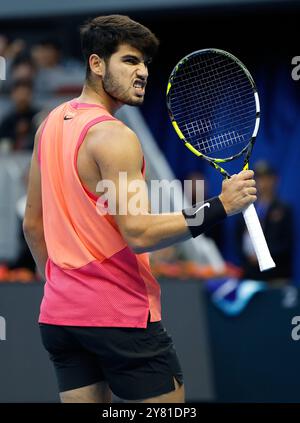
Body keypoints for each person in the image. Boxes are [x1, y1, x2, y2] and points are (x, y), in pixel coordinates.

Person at [23, 15, 257, 404]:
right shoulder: (114, 136)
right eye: (130, 61)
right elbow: (139, 234)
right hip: (119, 317)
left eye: (146, 62)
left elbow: (33, 226)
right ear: (96, 64)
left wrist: (61, 286)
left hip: (60, 317)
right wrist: (221, 206)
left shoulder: (48, 125)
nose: (143, 71)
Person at [235, 160, 293, 284]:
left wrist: (263, 256)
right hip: (251, 275)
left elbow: (286, 243)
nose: (263, 183)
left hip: (276, 275)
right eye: (260, 179)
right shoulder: (247, 210)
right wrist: (249, 258)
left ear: (275, 180)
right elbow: (239, 239)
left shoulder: (284, 209)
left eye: (267, 178)